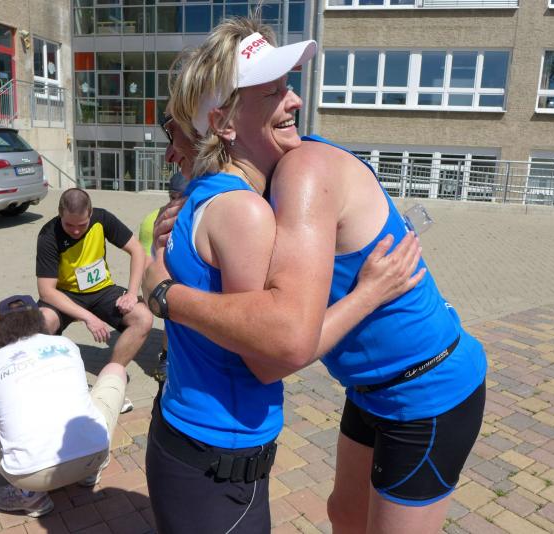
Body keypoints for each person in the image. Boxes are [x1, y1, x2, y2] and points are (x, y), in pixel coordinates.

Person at [144, 17, 487, 534]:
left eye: (288, 86)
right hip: (368, 389)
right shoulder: (253, 187)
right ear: (225, 122)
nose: (295, 100)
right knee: (344, 515)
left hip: (428, 389)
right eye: (273, 92)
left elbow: (280, 347)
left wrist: (164, 293)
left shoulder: (301, 171)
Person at [0, 295, 127, 517]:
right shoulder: (66, 344)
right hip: (94, 454)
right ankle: (90, 471)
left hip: (31, 476)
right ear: (39, 320)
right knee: (115, 369)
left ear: (1, 328)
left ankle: (30, 497)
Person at [36, 188, 153, 414]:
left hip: (101, 290)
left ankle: (108, 383)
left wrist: (131, 293)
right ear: (60, 214)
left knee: (143, 318)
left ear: (90, 213)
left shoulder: (102, 219)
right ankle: (56, 385)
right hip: (65, 294)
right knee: (42, 322)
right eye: (69, 225)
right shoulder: (48, 235)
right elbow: (46, 292)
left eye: (82, 224)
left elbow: (137, 250)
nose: (76, 231)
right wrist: (89, 318)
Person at [138, 172, 187, 383]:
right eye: (172, 197)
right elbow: (146, 265)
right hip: (167, 275)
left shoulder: (202, 217)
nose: (175, 203)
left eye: (181, 197)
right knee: (171, 307)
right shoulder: (154, 219)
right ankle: (166, 358)